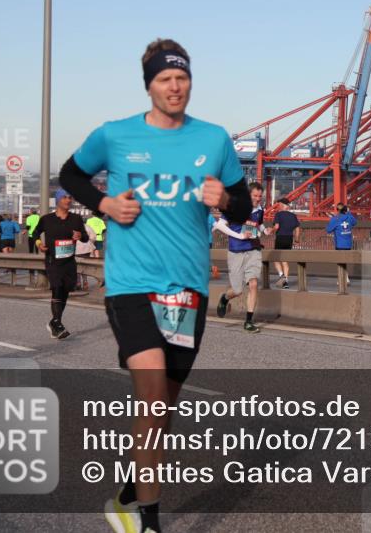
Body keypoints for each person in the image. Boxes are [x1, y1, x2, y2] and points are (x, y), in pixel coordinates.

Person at [57, 38, 250, 533]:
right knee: (151, 393)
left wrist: (224, 198)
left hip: (187, 290)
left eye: (182, 77)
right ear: (149, 85)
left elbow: (245, 206)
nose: (175, 86)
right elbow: (70, 174)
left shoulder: (214, 139)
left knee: (164, 404)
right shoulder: (115, 134)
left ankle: (127, 494)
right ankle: (147, 521)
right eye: (165, 78)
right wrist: (103, 204)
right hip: (131, 283)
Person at [35, 189, 88, 338]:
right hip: (53, 260)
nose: (68, 200)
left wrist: (80, 235)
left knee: (64, 291)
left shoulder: (76, 219)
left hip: (69, 261)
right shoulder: (47, 219)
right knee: (57, 288)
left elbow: (84, 237)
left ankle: (55, 322)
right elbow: (34, 233)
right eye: (65, 197)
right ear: (58, 200)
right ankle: (57, 324)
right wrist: (39, 243)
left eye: (70, 197)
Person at [214, 182, 266, 332]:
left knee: (254, 283)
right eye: (255, 196)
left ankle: (249, 321)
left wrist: (264, 231)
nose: (257, 199)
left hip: (253, 249)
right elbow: (220, 225)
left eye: (260, 196)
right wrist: (240, 236)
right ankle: (225, 298)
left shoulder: (260, 209)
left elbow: (258, 225)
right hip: (236, 250)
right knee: (237, 290)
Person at [271, 197, 301, 288]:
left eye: (279, 204)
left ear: (282, 205)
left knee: (276, 258)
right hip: (289, 239)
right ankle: (286, 281)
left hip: (280, 238)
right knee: (285, 260)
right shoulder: (293, 216)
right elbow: (297, 229)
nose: (278, 206)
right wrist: (296, 239)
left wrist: (271, 231)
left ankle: (282, 276)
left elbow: (276, 227)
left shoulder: (278, 215)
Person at [326, 203, 357, 285]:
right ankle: (346, 278)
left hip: (339, 244)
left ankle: (341, 279)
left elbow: (328, 230)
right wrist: (349, 213)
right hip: (348, 244)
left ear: (337, 209)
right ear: (345, 210)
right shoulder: (349, 217)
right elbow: (355, 222)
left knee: (340, 262)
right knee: (344, 261)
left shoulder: (335, 219)